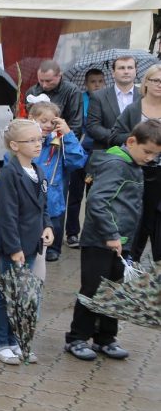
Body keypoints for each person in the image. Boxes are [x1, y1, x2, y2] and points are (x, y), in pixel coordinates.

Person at [65, 119, 161, 361]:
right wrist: (111, 234)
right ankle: (77, 338)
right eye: (147, 151)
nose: (150, 158)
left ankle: (105, 338)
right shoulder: (117, 165)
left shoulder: (135, 164)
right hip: (101, 241)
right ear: (131, 142)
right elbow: (98, 202)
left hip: (122, 242)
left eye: (155, 155)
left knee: (115, 290)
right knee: (93, 289)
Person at [0, 119, 53, 364]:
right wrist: (14, 248)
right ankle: (1, 343)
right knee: (7, 294)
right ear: (15, 145)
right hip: (13, 245)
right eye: (32, 140)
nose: (38, 144)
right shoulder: (9, 174)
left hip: (32, 244)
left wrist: (47, 225)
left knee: (23, 295)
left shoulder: (38, 171)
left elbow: (42, 205)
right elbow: (6, 215)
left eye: (40, 139)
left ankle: (17, 341)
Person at [108, 63, 161, 262]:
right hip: (137, 169)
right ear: (145, 82)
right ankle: (131, 257)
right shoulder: (133, 108)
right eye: (155, 80)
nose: (159, 85)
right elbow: (115, 135)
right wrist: (141, 138)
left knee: (155, 219)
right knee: (137, 216)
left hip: (160, 172)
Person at [26, 102, 86, 262]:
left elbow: (77, 161)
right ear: (31, 118)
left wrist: (67, 134)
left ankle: (53, 248)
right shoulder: (23, 140)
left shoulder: (59, 143)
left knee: (54, 226)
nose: (47, 125)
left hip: (52, 198)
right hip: (28, 197)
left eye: (52, 122)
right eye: (43, 121)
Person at [67, 67, 110, 248]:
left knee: (95, 196)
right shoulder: (80, 99)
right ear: (86, 84)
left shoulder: (108, 100)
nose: (97, 85)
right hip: (80, 154)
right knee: (75, 195)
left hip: (99, 154)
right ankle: (72, 233)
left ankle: (90, 233)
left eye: (100, 81)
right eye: (93, 81)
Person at [25, 59, 83, 137]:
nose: (44, 85)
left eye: (48, 81)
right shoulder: (32, 91)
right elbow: (25, 119)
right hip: (35, 138)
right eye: (41, 80)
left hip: (61, 139)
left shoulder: (72, 91)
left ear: (59, 75)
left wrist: (68, 141)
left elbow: (76, 124)